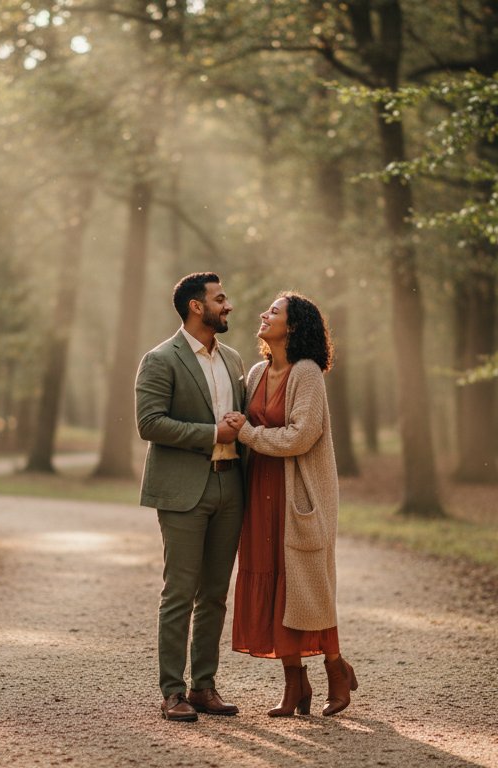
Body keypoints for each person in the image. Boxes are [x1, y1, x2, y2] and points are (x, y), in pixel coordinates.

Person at [222, 291, 356, 717]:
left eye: (274, 312)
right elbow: (242, 422)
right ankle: (294, 684)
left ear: (293, 326)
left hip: (300, 496)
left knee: (308, 586)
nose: (264, 314)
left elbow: (301, 435)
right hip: (260, 494)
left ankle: (336, 669)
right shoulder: (258, 371)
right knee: (275, 585)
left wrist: (248, 434)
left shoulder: (308, 373)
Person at [135, 272, 248, 722]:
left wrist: (235, 427)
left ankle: (204, 687)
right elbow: (150, 423)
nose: (229, 305)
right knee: (179, 592)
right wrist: (212, 432)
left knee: (216, 594)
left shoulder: (235, 360)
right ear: (196, 307)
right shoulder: (161, 359)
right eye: (221, 299)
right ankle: (171, 692)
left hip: (230, 485)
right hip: (183, 490)